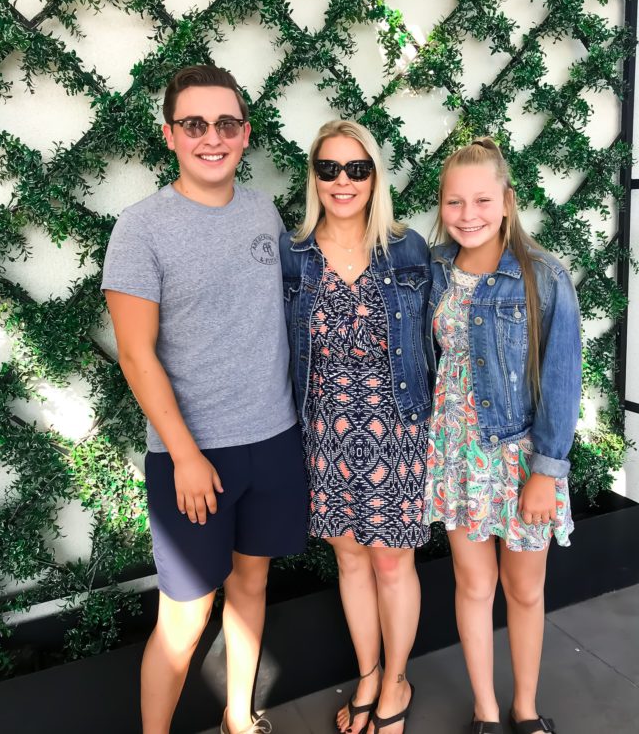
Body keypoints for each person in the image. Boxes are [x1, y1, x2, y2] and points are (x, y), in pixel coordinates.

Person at [101, 65, 307, 734]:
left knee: (251, 587)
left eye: (226, 123)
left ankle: (239, 718)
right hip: (193, 457)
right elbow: (135, 353)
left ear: (245, 134)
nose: (211, 137)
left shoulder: (261, 210)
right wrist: (185, 455)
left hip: (273, 442)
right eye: (194, 124)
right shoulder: (141, 228)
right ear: (170, 135)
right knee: (185, 617)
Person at [424, 138, 581, 734]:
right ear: (441, 206)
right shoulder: (437, 270)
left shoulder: (542, 276)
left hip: (520, 459)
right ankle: (487, 711)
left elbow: (563, 378)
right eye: (455, 202)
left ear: (508, 202)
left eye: (483, 199)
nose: (469, 215)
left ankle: (525, 709)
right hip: (457, 453)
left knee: (523, 589)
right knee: (472, 584)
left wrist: (547, 470)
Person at [280, 119, 432, 734]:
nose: (343, 181)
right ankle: (368, 672)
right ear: (314, 177)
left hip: (397, 427)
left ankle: (396, 680)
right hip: (324, 434)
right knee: (350, 562)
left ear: (375, 175)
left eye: (357, 168)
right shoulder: (295, 255)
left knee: (393, 563)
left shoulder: (407, 248)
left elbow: (439, 338)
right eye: (329, 168)